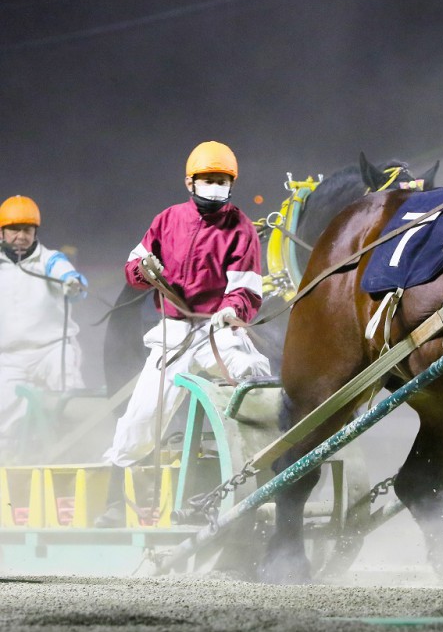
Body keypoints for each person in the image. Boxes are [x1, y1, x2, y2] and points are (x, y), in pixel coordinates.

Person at [97, 141, 270, 527]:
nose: (215, 186)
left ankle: (269, 480)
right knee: (140, 419)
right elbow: (133, 265)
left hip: (216, 331)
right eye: (208, 179)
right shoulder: (167, 220)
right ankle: (114, 504)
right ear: (190, 181)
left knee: (254, 376)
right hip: (171, 335)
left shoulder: (240, 228)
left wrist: (232, 308)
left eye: (222, 180)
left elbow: (248, 287)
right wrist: (145, 271)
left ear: (232, 184)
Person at [0, 195, 87, 458]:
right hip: (9, 358)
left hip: (52, 351)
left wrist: (73, 282)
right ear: (2, 232)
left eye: (27, 230)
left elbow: (71, 278)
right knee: (4, 414)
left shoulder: (50, 259)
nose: (21, 236)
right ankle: (7, 477)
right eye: (14, 230)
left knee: (69, 396)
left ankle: (78, 458)